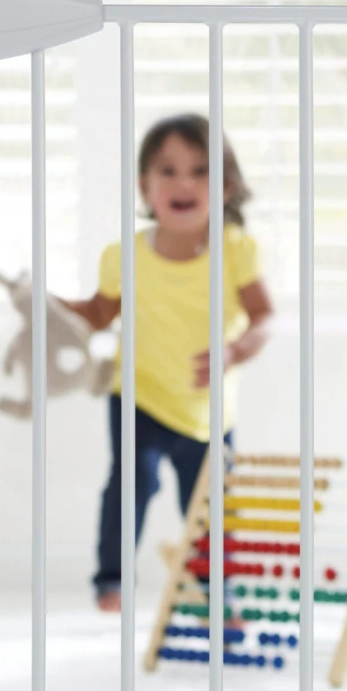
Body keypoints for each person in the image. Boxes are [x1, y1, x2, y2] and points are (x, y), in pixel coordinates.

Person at [59, 114, 274, 612]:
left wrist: (234, 351)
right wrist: (51, 306)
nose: (184, 183)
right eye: (169, 171)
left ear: (226, 187)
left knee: (210, 504)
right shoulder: (123, 256)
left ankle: (219, 592)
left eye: (201, 171)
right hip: (139, 395)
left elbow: (264, 317)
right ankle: (112, 580)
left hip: (207, 409)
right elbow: (98, 313)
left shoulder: (236, 250)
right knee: (131, 483)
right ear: (145, 186)